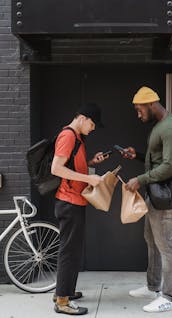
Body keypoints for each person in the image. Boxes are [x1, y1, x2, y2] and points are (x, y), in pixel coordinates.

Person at [124, 86, 172, 313]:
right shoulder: (160, 126)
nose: (138, 114)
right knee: (151, 240)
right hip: (156, 196)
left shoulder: (170, 129)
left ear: (151, 104)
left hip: (167, 198)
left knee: (166, 246)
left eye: (139, 109)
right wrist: (138, 155)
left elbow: (170, 166)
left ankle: (170, 296)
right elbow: (160, 159)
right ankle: (153, 287)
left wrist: (140, 179)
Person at [51, 103, 108, 316]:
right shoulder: (68, 136)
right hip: (69, 202)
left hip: (75, 201)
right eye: (92, 124)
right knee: (69, 252)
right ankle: (62, 302)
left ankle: (64, 292)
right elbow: (56, 168)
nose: (93, 128)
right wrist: (88, 178)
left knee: (72, 251)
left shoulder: (77, 138)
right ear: (82, 118)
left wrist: (91, 162)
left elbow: (73, 167)